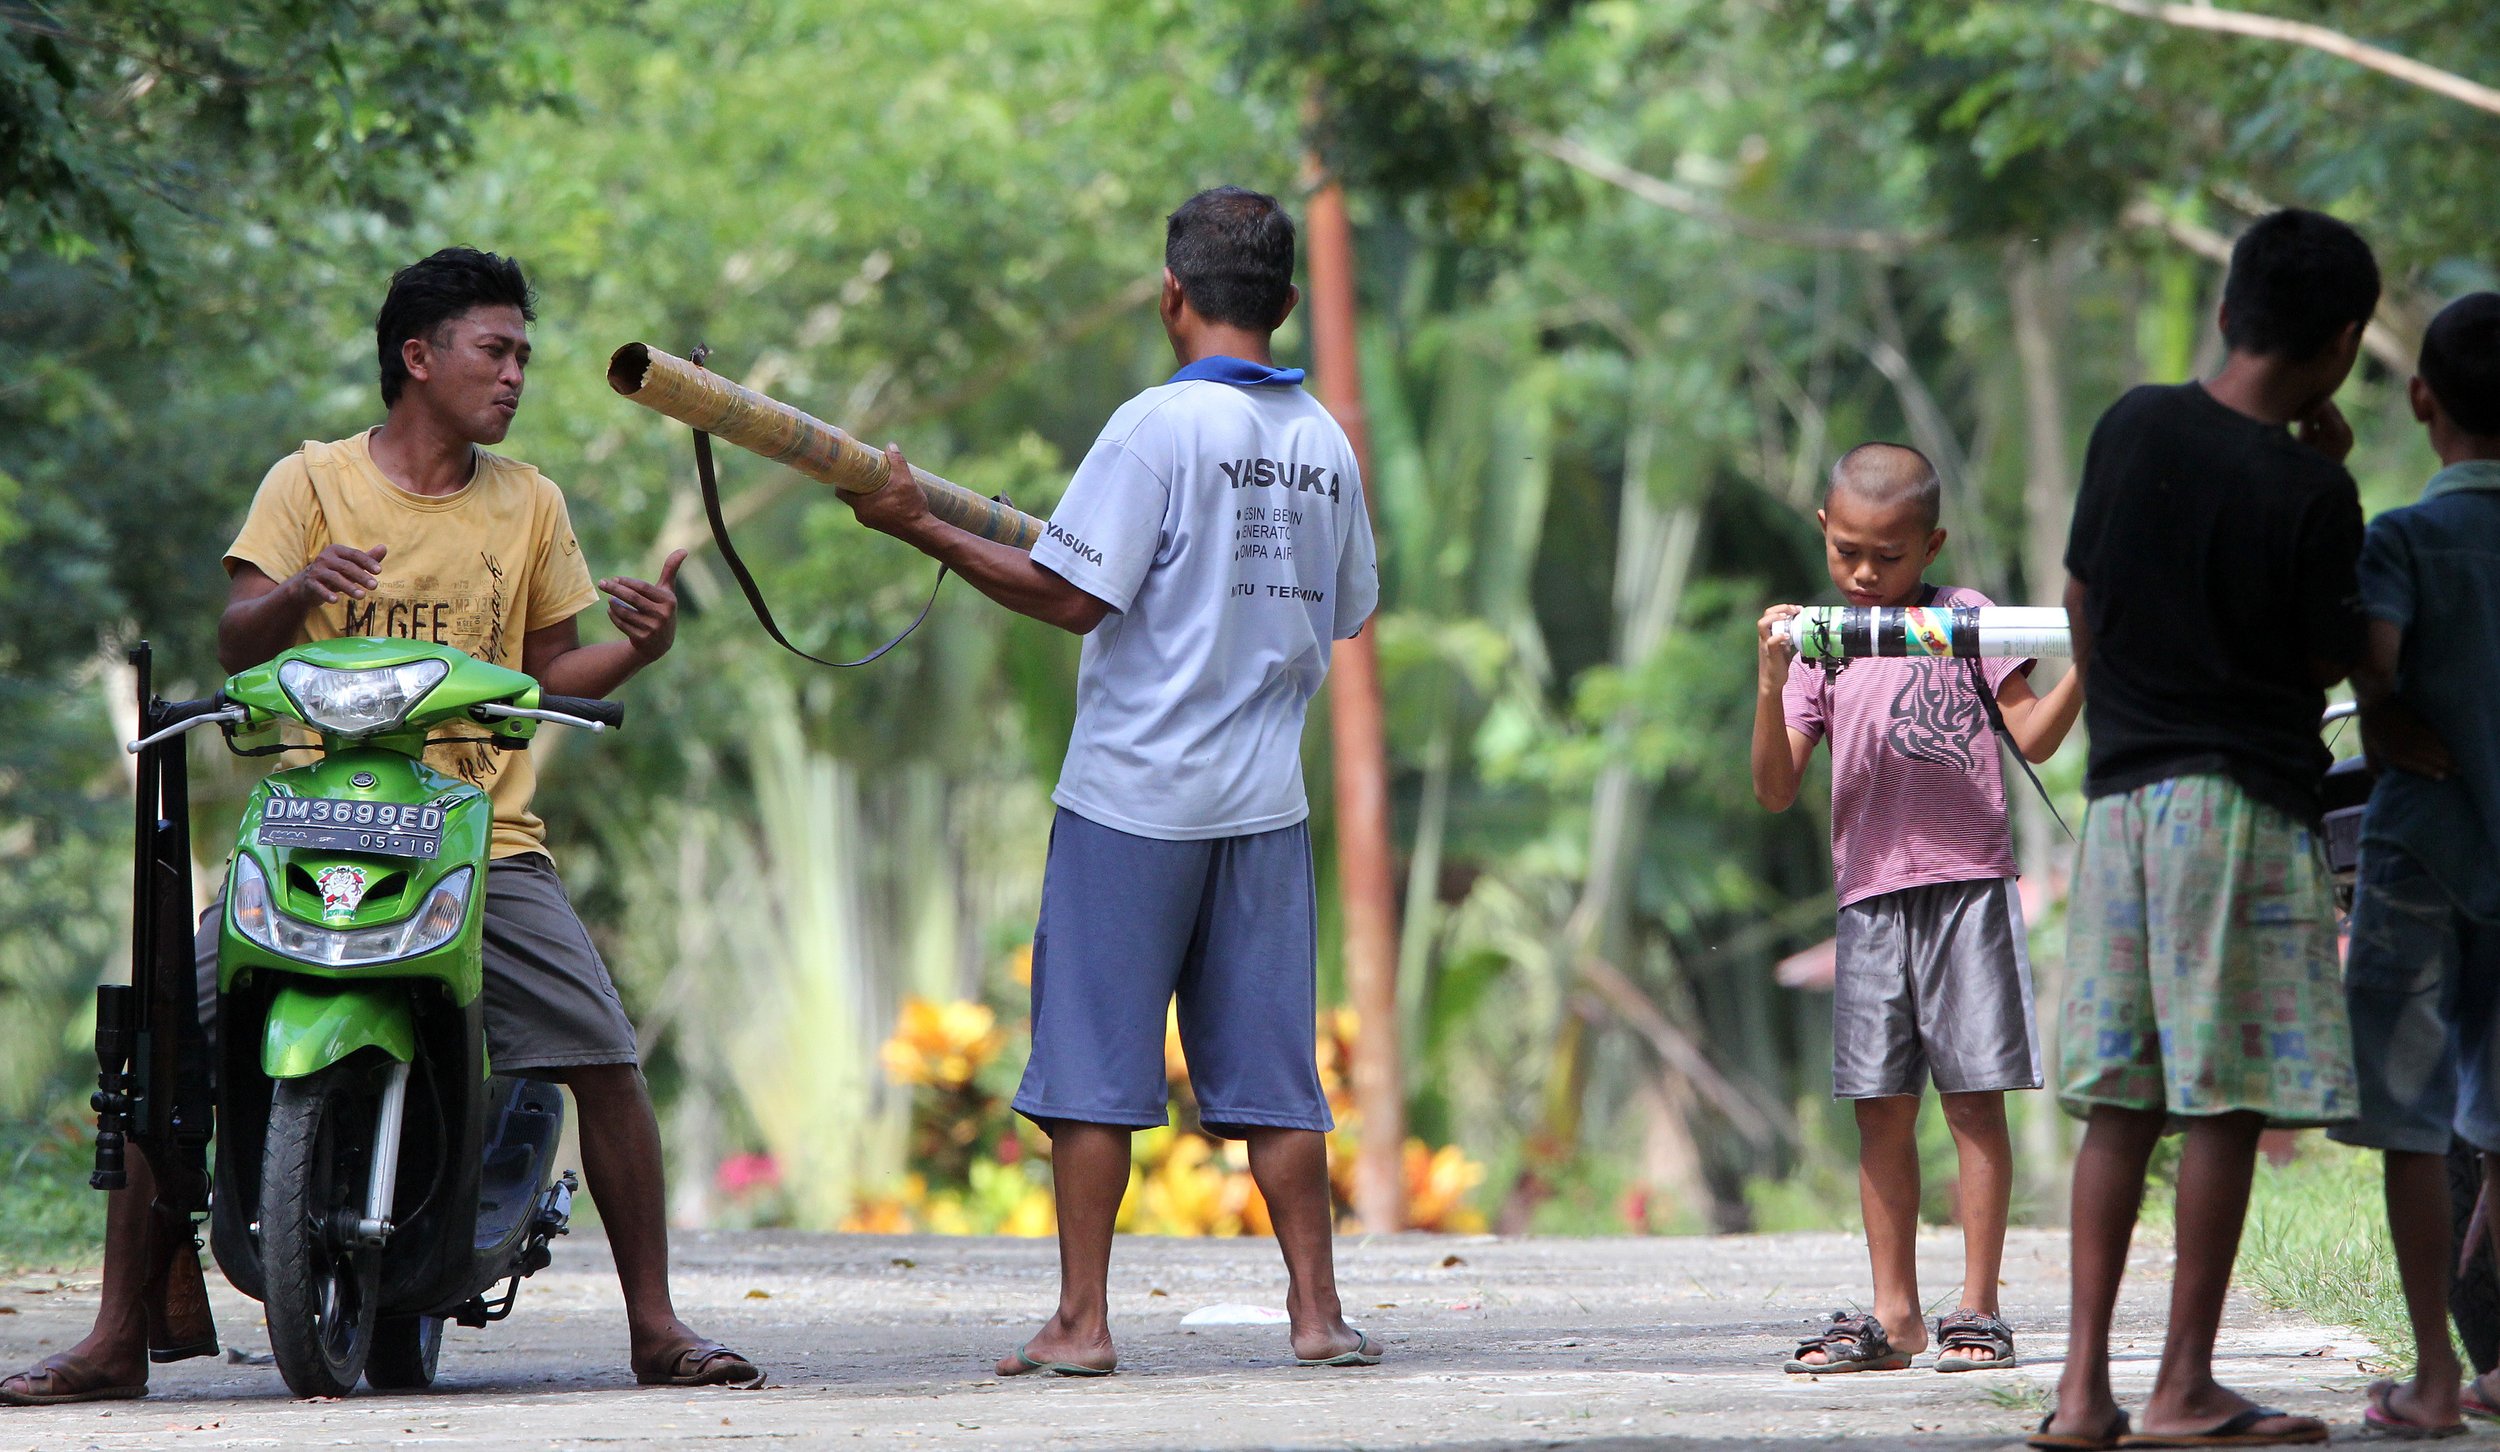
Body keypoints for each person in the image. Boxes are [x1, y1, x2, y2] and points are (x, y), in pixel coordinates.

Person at [0, 247, 757, 1405]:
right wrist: (299, 591)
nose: (514, 375)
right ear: (418, 357)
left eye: (523, 355)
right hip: (311, 825)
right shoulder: (308, 483)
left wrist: (638, 651)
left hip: (480, 840)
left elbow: (553, 670)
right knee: (164, 1047)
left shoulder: (531, 502)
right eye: (494, 351)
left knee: (603, 1058)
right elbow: (237, 640)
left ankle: (656, 1328)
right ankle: (113, 1340)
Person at [843, 186, 1380, 1376]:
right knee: (1275, 1078)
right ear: (1287, 302)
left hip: (1133, 800)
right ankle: (1317, 1317)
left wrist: (913, 526)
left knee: (1091, 1073)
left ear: (1170, 295)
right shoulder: (1323, 443)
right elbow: (1345, 610)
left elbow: (1067, 595)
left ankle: (1082, 1324)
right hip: (1262, 806)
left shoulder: (1154, 428)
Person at [2036, 208, 2377, 1451]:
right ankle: (2183, 1385)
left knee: (2123, 1101)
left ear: (2228, 310)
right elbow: (2331, 658)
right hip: (2237, 809)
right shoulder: (2313, 488)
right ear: (2342, 346)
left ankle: (2082, 1393)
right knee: (2225, 1101)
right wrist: (2321, 465)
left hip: (2123, 806)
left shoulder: (2131, 425)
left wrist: (2132, 712)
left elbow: (2082, 596)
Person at [1753, 443, 2083, 1377]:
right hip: (1868, 899)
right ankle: (1894, 1314)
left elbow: (2035, 737)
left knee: (1975, 1102)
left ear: (1930, 546)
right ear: (1825, 530)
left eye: (1889, 557)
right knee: (1880, 1109)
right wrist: (1771, 680)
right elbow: (1775, 789)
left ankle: (1978, 1307)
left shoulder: (1967, 619)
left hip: (1969, 885)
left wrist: (2087, 664)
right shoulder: (1820, 642)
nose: (1865, 574)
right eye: (1848, 552)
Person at [2330, 293, 2500, 1439]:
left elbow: (2373, 659)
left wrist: (2382, 711)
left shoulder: (2400, 538)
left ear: (2420, 399)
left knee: (2407, 1119)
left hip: (2420, 851)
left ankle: (2435, 1374)